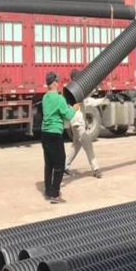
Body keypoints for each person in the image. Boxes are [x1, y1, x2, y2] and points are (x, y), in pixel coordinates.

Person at [41, 72, 76, 203]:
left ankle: (48, 190)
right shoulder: (60, 99)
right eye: (58, 81)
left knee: (49, 164)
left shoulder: (45, 97)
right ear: (55, 83)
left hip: (45, 133)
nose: (59, 83)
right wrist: (74, 108)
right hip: (55, 133)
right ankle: (55, 194)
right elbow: (68, 115)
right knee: (60, 164)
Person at [64, 70, 101, 179]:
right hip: (78, 124)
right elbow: (87, 95)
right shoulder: (76, 91)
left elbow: (88, 98)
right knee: (89, 146)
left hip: (75, 123)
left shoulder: (71, 90)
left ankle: (65, 166)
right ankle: (96, 169)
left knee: (76, 146)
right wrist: (95, 86)